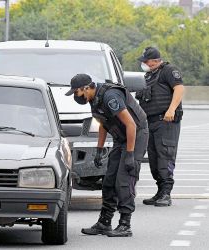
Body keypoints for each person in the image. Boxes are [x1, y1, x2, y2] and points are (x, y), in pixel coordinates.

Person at [65, 74, 148, 237]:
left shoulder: (110, 96)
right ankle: (104, 223)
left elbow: (131, 124)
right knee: (109, 181)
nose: (76, 96)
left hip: (135, 135)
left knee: (124, 180)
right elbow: (103, 123)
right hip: (121, 138)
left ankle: (125, 224)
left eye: (77, 92)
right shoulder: (94, 99)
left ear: (86, 87)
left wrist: (130, 154)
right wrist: (99, 149)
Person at [136, 47, 185, 207]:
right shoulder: (149, 75)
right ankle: (160, 191)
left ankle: (166, 193)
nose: (144, 63)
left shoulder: (168, 71)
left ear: (156, 60)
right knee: (154, 158)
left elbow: (179, 88)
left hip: (166, 121)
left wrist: (171, 109)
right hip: (151, 122)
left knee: (165, 156)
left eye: (146, 61)